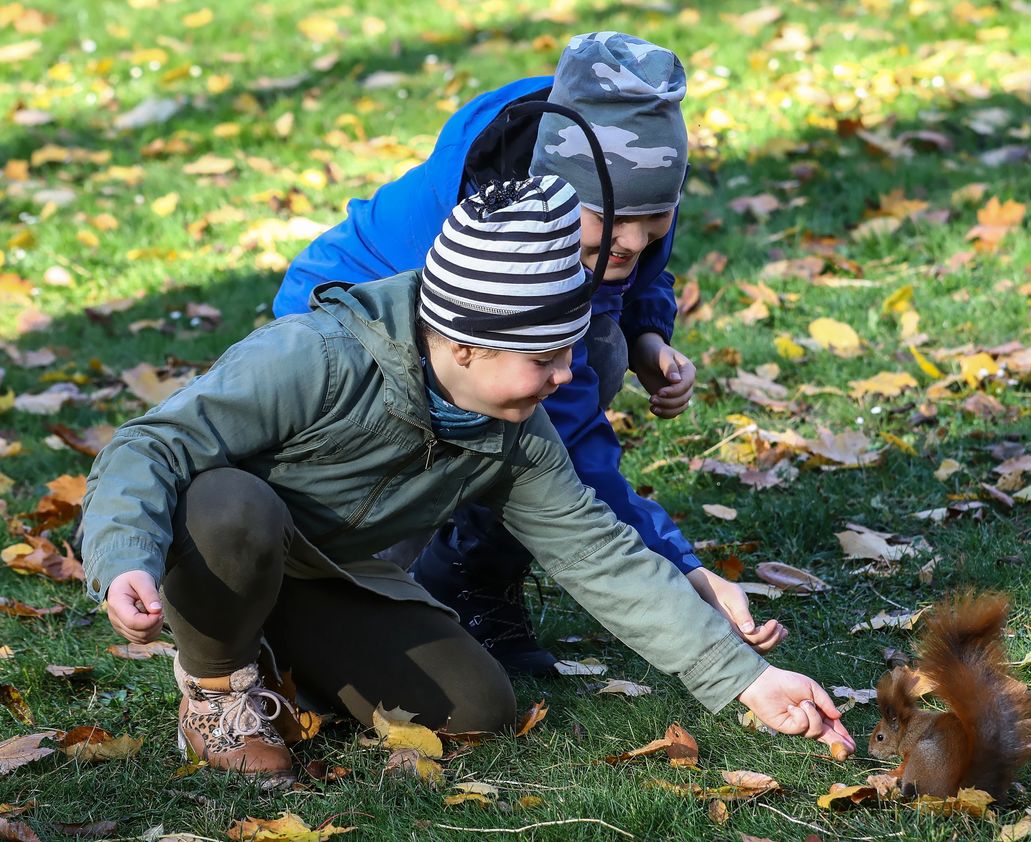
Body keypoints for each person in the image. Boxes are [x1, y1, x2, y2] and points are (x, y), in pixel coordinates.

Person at [81, 176, 853, 775]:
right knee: (227, 502)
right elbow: (150, 445)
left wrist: (747, 679)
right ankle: (217, 694)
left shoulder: (517, 432)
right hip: (226, 545)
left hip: (334, 576)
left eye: (568, 351)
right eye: (544, 358)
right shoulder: (315, 356)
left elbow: (597, 554)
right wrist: (123, 561)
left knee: (476, 705)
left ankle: (277, 661)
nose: (565, 375)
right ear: (464, 346)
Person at [272, 32, 783, 674]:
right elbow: (566, 441)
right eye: (611, 230)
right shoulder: (498, 229)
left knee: (592, 352)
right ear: (552, 196)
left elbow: (639, 275)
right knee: (420, 446)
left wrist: (648, 336)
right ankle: (328, 596)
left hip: (470, 339)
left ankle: (471, 573)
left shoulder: (618, 196)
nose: (631, 245)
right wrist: (681, 569)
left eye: (652, 227)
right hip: (346, 319)